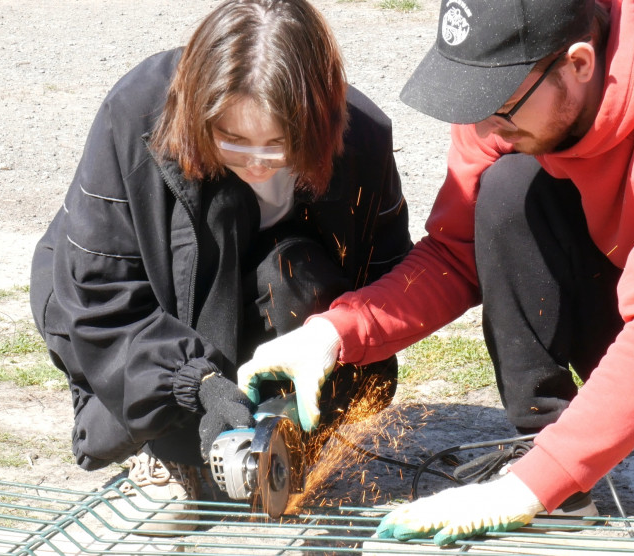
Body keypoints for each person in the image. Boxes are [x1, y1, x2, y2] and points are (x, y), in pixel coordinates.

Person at [237, 0, 634, 546]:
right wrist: (333, 333)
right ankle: (557, 458)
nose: (483, 128)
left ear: (579, 64)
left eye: (499, 106)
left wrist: (524, 490)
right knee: (506, 190)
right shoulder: (506, 97)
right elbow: (456, 254)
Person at [29, 0, 411, 534]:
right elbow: (99, 292)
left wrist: (332, 345)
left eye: (278, 145)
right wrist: (197, 384)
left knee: (290, 267)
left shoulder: (361, 133)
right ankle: (167, 455)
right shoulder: (136, 113)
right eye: (231, 140)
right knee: (224, 215)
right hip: (160, 303)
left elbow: (389, 280)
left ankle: (282, 442)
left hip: (279, 292)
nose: (256, 164)